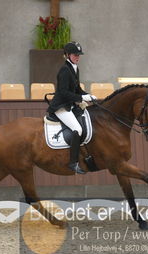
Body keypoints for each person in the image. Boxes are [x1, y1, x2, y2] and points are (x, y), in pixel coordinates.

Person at [46, 41, 97, 174]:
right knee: (77, 129)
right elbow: (63, 92)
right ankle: (73, 163)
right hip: (61, 106)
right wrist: (81, 99)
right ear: (67, 55)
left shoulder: (75, 68)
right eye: (75, 55)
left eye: (79, 55)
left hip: (69, 105)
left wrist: (88, 95)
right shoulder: (64, 70)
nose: (78, 57)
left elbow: (77, 89)